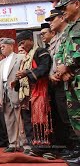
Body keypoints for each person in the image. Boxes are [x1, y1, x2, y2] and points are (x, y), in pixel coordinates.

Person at [14, 30, 52, 155]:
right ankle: (33, 147)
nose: (22, 46)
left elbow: (44, 68)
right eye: (20, 44)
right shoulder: (25, 57)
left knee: (41, 120)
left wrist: (27, 72)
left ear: (31, 39)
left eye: (23, 43)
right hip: (26, 94)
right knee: (28, 122)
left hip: (39, 92)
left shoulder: (40, 52)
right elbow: (23, 76)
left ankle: (46, 148)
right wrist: (17, 82)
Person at [45, 9, 77, 154]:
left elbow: (70, 57)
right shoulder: (58, 38)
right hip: (60, 82)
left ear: (62, 18)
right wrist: (55, 74)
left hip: (72, 79)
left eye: (52, 19)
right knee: (66, 118)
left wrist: (66, 70)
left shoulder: (69, 33)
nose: (50, 23)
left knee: (72, 117)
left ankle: (74, 149)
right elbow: (57, 59)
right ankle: (72, 149)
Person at [53, 0, 80, 165]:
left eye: (65, 7)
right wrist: (61, 71)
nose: (62, 12)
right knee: (76, 118)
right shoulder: (70, 27)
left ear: (76, 4)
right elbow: (60, 53)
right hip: (70, 80)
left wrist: (68, 66)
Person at [0, 38, 27, 153]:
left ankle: (24, 143)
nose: (2, 49)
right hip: (4, 91)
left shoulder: (20, 57)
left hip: (16, 90)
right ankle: (13, 143)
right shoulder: (0, 63)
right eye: (1, 47)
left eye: (3, 46)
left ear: (10, 46)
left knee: (20, 117)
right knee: (8, 118)